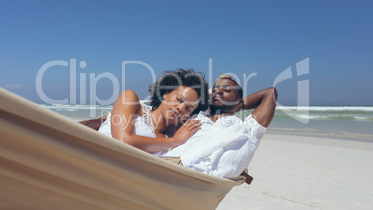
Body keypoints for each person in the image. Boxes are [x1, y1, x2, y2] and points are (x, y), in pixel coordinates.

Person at [163, 75, 277, 178]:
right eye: (214, 91)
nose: (218, 92)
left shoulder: (247, 128)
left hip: (199, 179)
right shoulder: (195, 116)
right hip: (168, 165)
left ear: (239, 102)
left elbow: (270, 93)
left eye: (227, 90)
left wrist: (235, 106)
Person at [81, 68, 209, 155]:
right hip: (86, 158)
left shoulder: (169, 142)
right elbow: (123, 141)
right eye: (179, 99)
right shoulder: (130, 100)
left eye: (188, 108)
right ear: (165, 94)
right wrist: (176, 140)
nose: (180, 108)